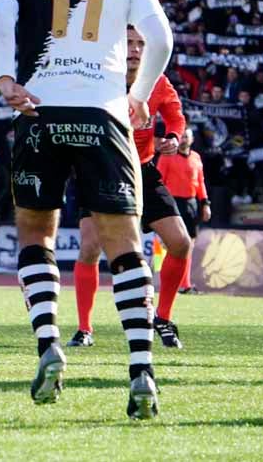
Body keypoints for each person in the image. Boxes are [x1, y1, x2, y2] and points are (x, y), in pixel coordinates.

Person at [0, 0, 172, 418]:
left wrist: (6, 77)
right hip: (104, 114)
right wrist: (137, 96)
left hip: (38, 111)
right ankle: (141, 372)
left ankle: (48, 343)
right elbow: (160, 40)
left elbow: (2, 21)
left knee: (36, 233)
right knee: (124, 245)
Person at [72, 26, 192, 350]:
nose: (135, 49)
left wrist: (173, 139)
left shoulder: (158, 82)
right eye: (129, 42)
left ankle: (163, 318)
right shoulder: (97, 76)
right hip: (99, 170)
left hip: (143, 171)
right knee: (89, 248)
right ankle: (84, 329)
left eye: (141, 42)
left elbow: (177, 119)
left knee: (180, 243)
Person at [156, 127, 211, 295]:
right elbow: (159, 181)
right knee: (167, 245)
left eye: (187, 137)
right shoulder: (166, 156)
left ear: (192, 139)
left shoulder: (196, 158)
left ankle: (185, 284)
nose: (184, 139)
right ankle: (161, 280)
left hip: (191, 204)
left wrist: (205, 203)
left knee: (189, 245)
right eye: (182, 137)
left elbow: (200, 182)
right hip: (172, 204)